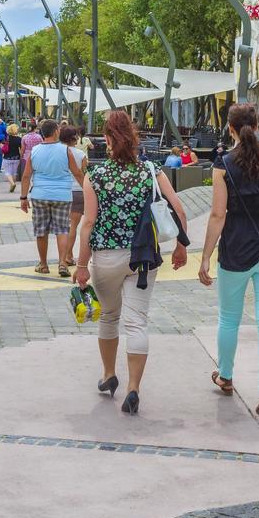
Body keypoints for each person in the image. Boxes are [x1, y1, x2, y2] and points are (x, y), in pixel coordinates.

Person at [74, 111, 188, 415]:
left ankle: (109, 375)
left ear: (108, 140)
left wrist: (82, 264)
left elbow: (88, 222)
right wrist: (180, 246)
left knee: (109, 316)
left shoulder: (95, 176)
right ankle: (134, 388)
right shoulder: (152, 171)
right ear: (135, 137)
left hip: (107, 257)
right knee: (137, 320)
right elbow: (179, 209)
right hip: (143, 257)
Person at [198, 105, 259, 420]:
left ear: (231, 129)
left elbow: (218, 215)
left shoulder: (223, 165)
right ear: (258, 126)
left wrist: (206, 256)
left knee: (229, 319)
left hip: (235, 250)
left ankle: (225, 376)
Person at [20, 118, 84, 277]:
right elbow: (77, 173)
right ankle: (62, 263)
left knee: (41, 231)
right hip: (62, 195)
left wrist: (23, 197)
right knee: (62, 229)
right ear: (56, 131)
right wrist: (89, 191)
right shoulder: (65, 151)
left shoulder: (34, 151)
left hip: (39, 195)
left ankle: (43, 264)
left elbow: (26, 176)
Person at [60, 124, 88, 266]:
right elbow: (84, 174)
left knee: (64, 226)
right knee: (73, 226)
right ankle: (67, 256)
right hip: (78, 191)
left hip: (61, 191)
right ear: (74, 138)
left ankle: (67, 255)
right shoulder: (81, 155)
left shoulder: (58, 153)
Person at [2, 123, 22, 192]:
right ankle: (12, 185)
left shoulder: (6, 138)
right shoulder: (19, 139)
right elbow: (21, 149)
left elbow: (2, 146)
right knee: (14, 173)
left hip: (7, 157)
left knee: (8, 172)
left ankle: (12, 184)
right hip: (16, 157)